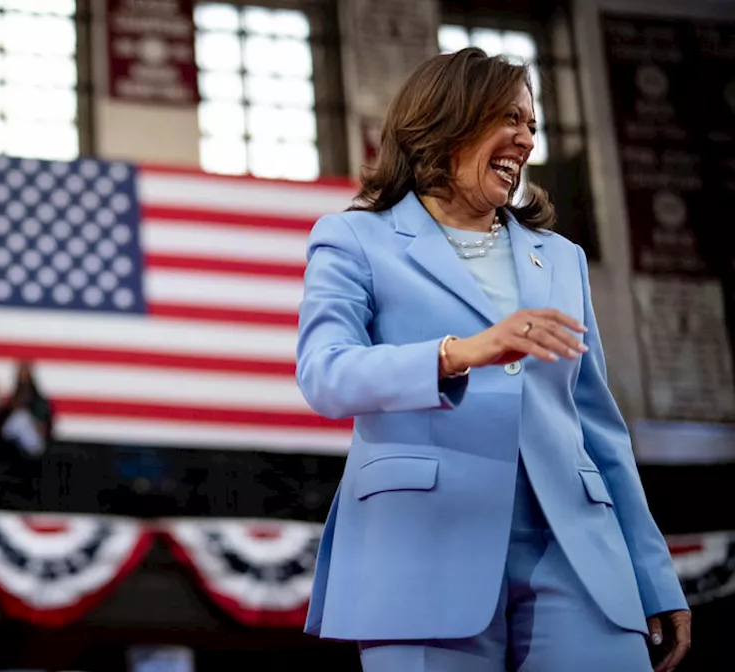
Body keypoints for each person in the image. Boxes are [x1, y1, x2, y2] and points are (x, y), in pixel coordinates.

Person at [295, 48, 690, 672]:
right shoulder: (354, 239)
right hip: (425, 547)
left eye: (532, 125)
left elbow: (598, 428)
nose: (526, 139)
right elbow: (325, 374)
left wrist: (653, 573)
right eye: (510, 118)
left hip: (578, 552)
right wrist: (462, 353)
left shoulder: (562, 258)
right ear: (448, 121)